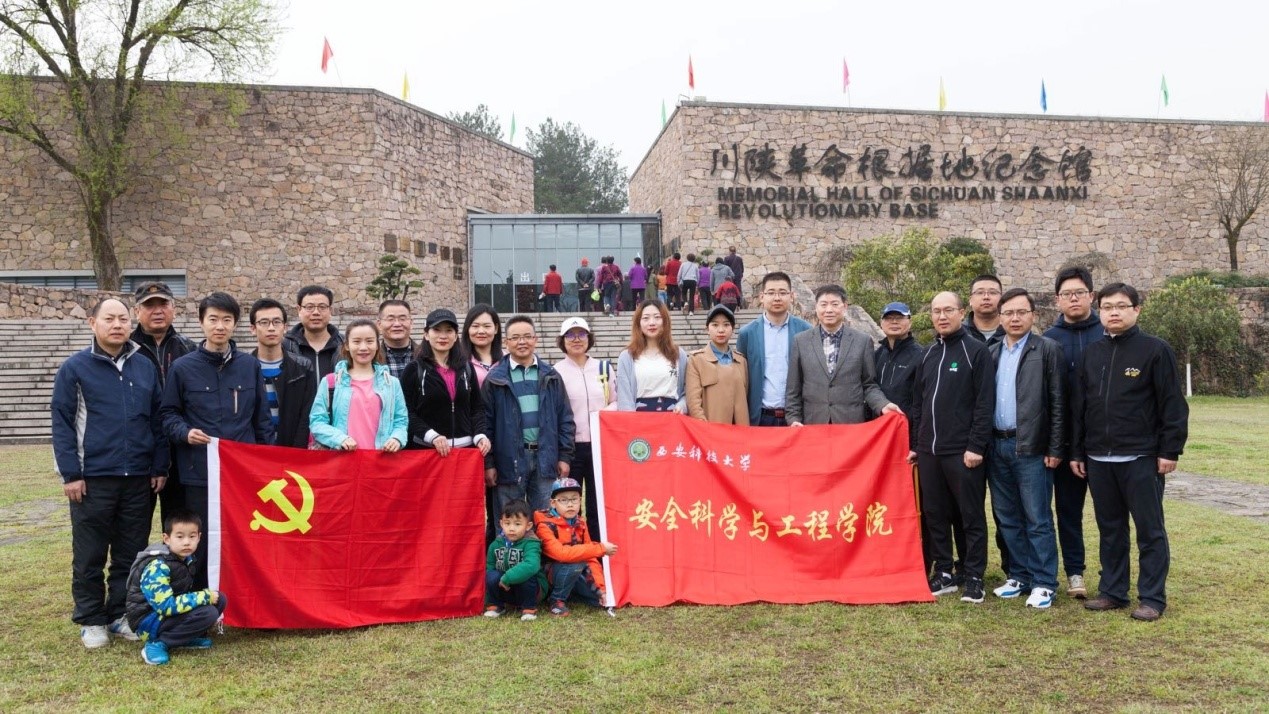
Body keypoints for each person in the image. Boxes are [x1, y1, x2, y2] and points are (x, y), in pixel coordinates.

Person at [52, 297, 168, 648]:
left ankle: (120, 614)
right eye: (109, 319)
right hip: (93, 477)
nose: (117, 325)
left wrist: (159, 465)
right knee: (90, 553)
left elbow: (157, 419)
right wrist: (71, 473)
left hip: (138, 477)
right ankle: (91, 618)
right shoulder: (75, 368)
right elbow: (62, 423)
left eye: (123, 319)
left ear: (131, 323)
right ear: (93, 323)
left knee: (130, 552)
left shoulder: (144, 366)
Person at [1071, 283, 1188, 622]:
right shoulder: (1091, 353)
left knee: (1149, 530)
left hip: (1141, 457)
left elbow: (1172, 404)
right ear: (1099, 311)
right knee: (1110, 529)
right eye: (1107, 307)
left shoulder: (1155, 350)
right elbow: (1080, 408)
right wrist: (1078, 451)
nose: (1114, 312)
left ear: (1137, 309)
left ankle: (1152, 597)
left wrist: (1170, 450)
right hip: (1099, 458)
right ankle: (1112, 591)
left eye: (1121, 306)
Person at [161, 292, 274, 588]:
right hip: (199, 471)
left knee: (244, 535)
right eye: (213, 319)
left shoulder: (249, 366)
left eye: (227, 319)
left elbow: (261, 420)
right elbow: (168, 414)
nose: (220, 326)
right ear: (201, 322)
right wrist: (185, 432)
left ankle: (242, 594)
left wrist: (267, 463)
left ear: (235, 324)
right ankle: (200, 596)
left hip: (242, 472)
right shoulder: (182, 368)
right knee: (201, 537)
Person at [910, 291, 995, 604]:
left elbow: (984, 403)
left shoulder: (976, 351)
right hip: (930, 451)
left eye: (948, 310)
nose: (942, 316)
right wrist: (918, 443)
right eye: (936, 311)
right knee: (935, 513)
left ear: (961, 312)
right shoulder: (928, 354)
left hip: (963, 451)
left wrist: (976, 446)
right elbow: (918, 403)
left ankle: (973, 575)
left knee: (970, 515)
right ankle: (944, 571)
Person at [987, 288, 1065, 610]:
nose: (1015, 318)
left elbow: (1058, 402)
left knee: (1037, 518)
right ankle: (1019, 575)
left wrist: (1055, 447)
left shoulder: (1047, 349)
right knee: (1007, 517)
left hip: (1031, 446)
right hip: (997, 444)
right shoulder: (992, 352)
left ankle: (1044, 582)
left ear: (1033, 315)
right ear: (1000, 317)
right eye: (1008, 313)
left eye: (1021, 312)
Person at [1042, 265, 1102, 599]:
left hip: (1104, 441)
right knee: (1067, 511)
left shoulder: (1107, 333)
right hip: (1063, 442)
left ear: (1092, 296)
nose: (1074, 299)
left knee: (1110, 514)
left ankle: (1112, 573)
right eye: (1067, 294)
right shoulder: (1048, 340)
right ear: (1057, 300)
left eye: (1079, 292)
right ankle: (1074, 572)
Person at [483, 315, 575, 513]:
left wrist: (564, 457)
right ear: (506, 342)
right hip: (508, 460)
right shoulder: (495, 379)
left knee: (545, 520)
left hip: (546, 457)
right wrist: (489, 463)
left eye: (526, 336)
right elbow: (486, 424)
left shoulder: (551, 376)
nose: (521, 342)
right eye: (515, 337)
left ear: (535, 339)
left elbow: (565, 419)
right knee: (510, 521)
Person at [128, 282, 195, 528]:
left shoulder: (190, 349)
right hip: (140, 451)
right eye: (149, 305)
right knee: (134, 529)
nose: (157, 311)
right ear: (137, 312)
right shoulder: (125, 350)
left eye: (163, 304)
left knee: (182, 526)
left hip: (181, 452)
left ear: (174, 309)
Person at [124, 509, 226, 666]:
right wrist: (204, 597)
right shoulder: (157, 566)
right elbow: (165, 606)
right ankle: (158, 643)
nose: (186, 542)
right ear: (166, 538)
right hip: (147, 621)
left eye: (192, 536)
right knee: (208, 612)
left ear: (199, 537)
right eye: (180, 537)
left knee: (219, 599)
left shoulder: (186, 559)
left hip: (163, 616)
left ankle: (183, 638)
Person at [785, 286, 897, 427]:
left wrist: (883, 404)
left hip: (850, 424)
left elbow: (869, 385)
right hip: (813, 423)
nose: (829, 310)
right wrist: (793, 418)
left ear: (845, 306)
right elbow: (793, 388)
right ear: (816, 307)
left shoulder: (862, 341)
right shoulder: (801, 341)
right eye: (824, 304)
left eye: (835, 304)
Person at [554, 316, 617, 540]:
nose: (576, 339)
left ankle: (598, 550)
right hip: (570, 447)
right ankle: (573, 549)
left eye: (581, 334)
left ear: (589, 338)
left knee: (597, 502)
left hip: (600, 445)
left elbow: (617, 401)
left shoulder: (603, 368)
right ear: (562, 340)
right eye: (570, 335)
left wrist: (602, 414)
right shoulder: (556, 372)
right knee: (570, 503)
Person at [400, 309, 490, 457]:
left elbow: (476, 408)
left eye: (449, 330)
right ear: (426, 334)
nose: (443, 336)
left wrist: (480, 435)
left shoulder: (467, 367)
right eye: (436, 330)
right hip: (428, 451)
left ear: (455, 336)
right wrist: (431, 436)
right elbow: (406, 412)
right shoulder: (414, 369)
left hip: (466, 452)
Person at [308, 319, 408, 452]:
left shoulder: (391, 383)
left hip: (382, 458)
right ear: (347, 345)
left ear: (377, 345)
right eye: (356, 341)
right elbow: (317, 422)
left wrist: (397, 438)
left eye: (369, 341)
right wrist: (339, 439)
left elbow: (401, 420)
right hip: (344, 458)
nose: (363, 347)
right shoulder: (331, 382)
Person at [736, 271, 812, 426]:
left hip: (796, 418)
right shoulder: (747, 333)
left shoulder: (806, 330)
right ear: (761, 297)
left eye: (783, 293)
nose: (777, 298)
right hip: (760, 417)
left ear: (792, 296)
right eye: (771, 293)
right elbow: (741, 376)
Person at [534, 478, 617, 617]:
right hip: (547, 575)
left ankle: (571, 594)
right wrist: (600, 549)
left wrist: (601, 590)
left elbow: (590, 558)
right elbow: (562, 554)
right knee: (576, 564)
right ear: (553, 503)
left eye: (574, 499)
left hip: (573, 571)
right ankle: (556, 600)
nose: (570, 504)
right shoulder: (544, 525)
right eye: (564, 500)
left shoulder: (580, 523)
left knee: (597, 600)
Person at [249, 298, 317, 449]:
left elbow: (306, 416)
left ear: (285, 327)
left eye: (277, 322)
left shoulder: (302, 367)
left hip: (292, 451)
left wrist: (297, 452)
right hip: (254, 451)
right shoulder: (244, 368)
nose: (271, 328)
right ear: (253, 328)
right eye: (264, 322)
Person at [616, 300, 689, 413]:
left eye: (657, 317)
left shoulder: (678, 354)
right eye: (646, 318)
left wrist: (681, 406)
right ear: (638, 323)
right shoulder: (627, 357)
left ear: (665, 321)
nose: (652, 323)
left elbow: (687, 392)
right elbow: (624, 398)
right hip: (639, 418)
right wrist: (631, 421)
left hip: (672, 417)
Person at [686, 305, 749, 425]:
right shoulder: (697, 360)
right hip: (710, 430)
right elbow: (694, 402)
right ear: (707, 329)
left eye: (726, 325)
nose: (721, 330)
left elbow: (746, 395)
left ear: (733, 329)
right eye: (715, 325)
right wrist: (703, 426)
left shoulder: (741, 361)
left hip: (740, 430)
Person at [484, 501, 545, 621]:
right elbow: (489, 567)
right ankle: (496, 605)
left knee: (528, 575)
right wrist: (488, 594)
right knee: (491, 575)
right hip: (506, 588)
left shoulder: (531, 543)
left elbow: (532, 565)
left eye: (517, 524)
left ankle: (528, 608)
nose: (511, 528)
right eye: (507, 523)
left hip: (530, 590)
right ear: (501, 524)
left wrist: (508, 577)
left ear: (528, 526)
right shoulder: (495, 544)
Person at [284, 285, 344, 380]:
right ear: (299, 310)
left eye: (322, 307)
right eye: (309, 307)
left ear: (330, 310)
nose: (316, 312)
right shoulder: (285, 346)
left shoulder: (345, 345)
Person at [462, 304, 503, 388]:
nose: (481, 331)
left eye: (487, 326)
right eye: (475, 326)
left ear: (496, 329)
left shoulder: (507, 359)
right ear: (468, 328)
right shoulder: (459, 361)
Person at [377, 299, 417, 378]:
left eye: (402, 319)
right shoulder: (372, 358)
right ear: (379, 324)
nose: (397, 324)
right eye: (390, 319)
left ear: (411, 323)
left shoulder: (427, 355)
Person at [964, 274, 1006, 345]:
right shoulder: (958, 332)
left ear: (1002, 299)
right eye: (980, 292)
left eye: (992, 292)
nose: (986, 297)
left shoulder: (1012, 331)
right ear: (970, 300)